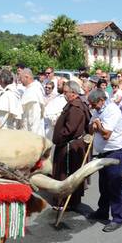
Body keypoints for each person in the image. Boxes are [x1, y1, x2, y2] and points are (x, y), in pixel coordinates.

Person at [87, 89, 122, 232]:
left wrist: (98, 125)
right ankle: (102, 211)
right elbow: (90, 128)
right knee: (103, 185)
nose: (91, 107)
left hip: (114, 152)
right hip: (102, 153)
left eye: (93, 104)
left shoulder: (112, 110)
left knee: (114, 186)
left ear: (101, 100)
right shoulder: (97, 111)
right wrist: (95, 125)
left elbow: (106, 135)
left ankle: (117, 218)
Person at [51, 80, 90, 211]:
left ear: (73, 93)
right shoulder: (74, 104)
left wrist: (59, 137)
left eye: (66, 92)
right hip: (69, 145)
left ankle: (65, 201)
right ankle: (67, 200)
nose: (65, 94)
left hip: (69, 146)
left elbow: (70, 129)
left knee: (66, 174)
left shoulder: (76, 108)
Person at [20, 68, 45, 135]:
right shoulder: (30, 89)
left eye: (21, 78)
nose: (20, 81)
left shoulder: (33, 91)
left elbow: (34, 117)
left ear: (27, 77)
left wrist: (33, 136)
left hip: (33, 132)